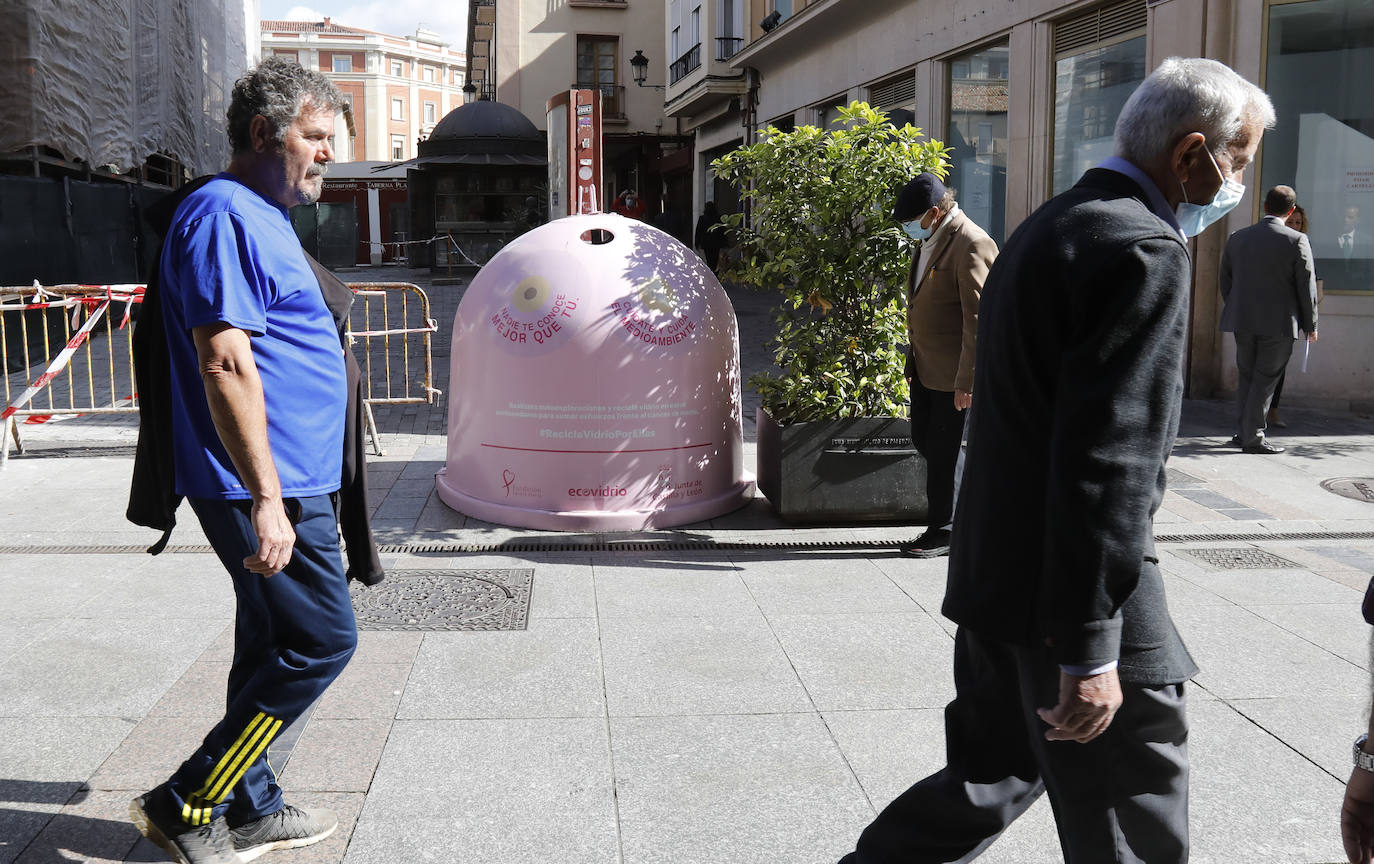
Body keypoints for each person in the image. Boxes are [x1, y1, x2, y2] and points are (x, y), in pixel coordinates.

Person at [837, 57, 1273, 864]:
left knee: (982, 782)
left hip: (998, 581)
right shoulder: (1143, 246)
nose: (1236, 183)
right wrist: (1091, 647)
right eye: (1237, 162)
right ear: (1191, 155)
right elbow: (1109, 459)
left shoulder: (1054, 222)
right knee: (1130, 819)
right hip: (1068, 602)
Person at [127, 57, 359, 864]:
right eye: (316, 136)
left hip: (289, 479)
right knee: (323, 641)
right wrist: (266, 496)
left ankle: (255, 808)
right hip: (269, 485)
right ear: (264, 133)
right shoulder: (224, 215)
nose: (329, 152)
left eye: (333, 138)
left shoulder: (259, 213)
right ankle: (190, 799)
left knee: (270, 645)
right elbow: (224, 362)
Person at [892, 174, 997, 558]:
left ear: (934, 213)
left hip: (954, 375)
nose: (906, 230)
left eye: (911, 221)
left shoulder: (971, 243)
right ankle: (973, 509)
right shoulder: (930, 240)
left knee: (944, 451)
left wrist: (967, 380)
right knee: (926, 440)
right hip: (925, 367)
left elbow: (980, 320)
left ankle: (945, 528)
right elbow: (921, 303)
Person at [1219, 185, 1318, 454]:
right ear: (1291, 211)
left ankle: (1243, 432)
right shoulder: (1297, 240)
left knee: (1248, 376)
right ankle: (1253, 436)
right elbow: (1305, 285)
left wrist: (1237, 306)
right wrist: (1311, 324)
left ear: (1264, 207)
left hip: (1243, 319)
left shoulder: (1238, 237)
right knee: (1265, 379)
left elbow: (1225, 279)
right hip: (1280, 322)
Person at [1267, 202, 1314, 428]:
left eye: (1299, 222)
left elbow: (1308, 284)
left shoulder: (1303, 244)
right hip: (1271, 311)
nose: (1295, 225)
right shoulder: (1276, 241)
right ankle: (1258, 413)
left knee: (1279, 366)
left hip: (1289, 315)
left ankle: (1272, 410)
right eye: (1292, 221)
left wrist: (1309, 320)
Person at [695, 200, 728, 273]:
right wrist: (725, 243)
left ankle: (711, 272)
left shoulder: (702, 218)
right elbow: (722, 231)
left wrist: (697, 243)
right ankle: (715, 273)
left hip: (707, 243)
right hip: (716, 243)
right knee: (715, 258)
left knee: (709, 259)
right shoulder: (718, 218)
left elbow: (698, 231)